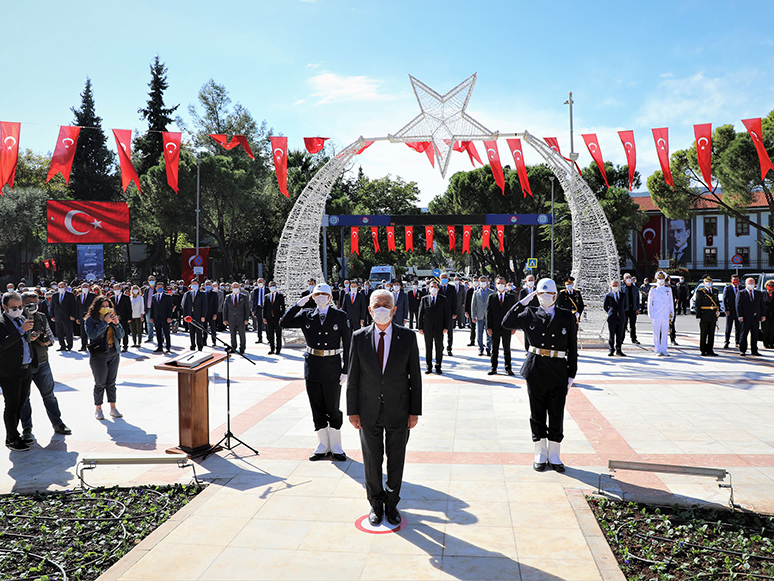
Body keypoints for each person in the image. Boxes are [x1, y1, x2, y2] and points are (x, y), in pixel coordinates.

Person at [347, 289, 422, 526]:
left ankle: (392, 503)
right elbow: (353, 377)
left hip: (399, 409)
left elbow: (415, 378)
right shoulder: (358, 337)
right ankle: (376, 504)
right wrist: (352, 410)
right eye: (376, 304)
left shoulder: (407, 337)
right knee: (371, 459)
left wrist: (414, 411)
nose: (381, 308)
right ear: (369, 309)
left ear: (394, 309)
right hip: (367, 409)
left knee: (396, 458)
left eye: (386, 304)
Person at [502, 278, 578, 473]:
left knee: (556, 411)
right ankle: (540, 452)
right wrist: (523, 302)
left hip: (558, 368)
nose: (546, 298)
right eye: (542, 294)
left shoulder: (566, 316)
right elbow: (506, 322)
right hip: (536, 367)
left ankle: (554, 454)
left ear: (556, 295)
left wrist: (571, 374)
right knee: (537, 412)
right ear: (536, 295)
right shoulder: (529, 313)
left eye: (550, 294)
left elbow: (572, 347)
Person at [282, 284, 351, 461]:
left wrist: (346, 369)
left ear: (330, 297)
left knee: (332, 406)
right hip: (313, 365)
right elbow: (284, 322)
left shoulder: (340, 316)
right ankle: (322, 445)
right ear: (312, 297)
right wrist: (298, 305)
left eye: (324, 294)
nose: (320, 297)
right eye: (317, 294)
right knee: (316, 405)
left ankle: (336, 446)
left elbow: (349, 344)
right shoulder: (306, 314)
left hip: (332, 366)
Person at [19, 292, 70, 440]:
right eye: (29, 303)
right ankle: (27, 429)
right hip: (25, 366)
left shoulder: (41, 316)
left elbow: (51, 338)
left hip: (42, 363)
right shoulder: (17, 318)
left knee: (49, 396)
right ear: (22, 304)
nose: (33, 305)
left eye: (36, 302)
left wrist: (45, 340)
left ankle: (58, 423)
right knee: (24, 399)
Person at [0, 292, 37, 451]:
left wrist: (30, 334)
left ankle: (15, 435)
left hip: (25, 368)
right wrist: (21, 330)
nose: (17, 310)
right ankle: (12, 438)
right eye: (13, 307)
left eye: (19, 307)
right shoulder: (2, 323)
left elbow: (23, 342)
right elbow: (4, 344)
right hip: (10, 372)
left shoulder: (20, 319)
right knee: (12, 405)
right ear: (4, 307)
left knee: (21, 403)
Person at [84, 296, 124, 421]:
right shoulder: (90, 320)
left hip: (113, 352)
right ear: (97, 307)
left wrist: (116, 325)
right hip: (99, 355)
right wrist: (104, 323)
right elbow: (92, 335)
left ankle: (113, 408)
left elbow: (121, 335)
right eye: (103, 306)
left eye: (108, 306)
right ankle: (98, 409)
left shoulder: (112, 318)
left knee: (111, 383)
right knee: (100, 383)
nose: (106, 308)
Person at [486, 276, 517, 375]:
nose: (501, 285)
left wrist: (514, 326)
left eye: (502, 283)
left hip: (507, 327)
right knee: (494, 349)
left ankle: (508, 368)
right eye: (499, 283)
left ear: (505, 284)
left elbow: (514, 313)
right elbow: (488, 313)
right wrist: (488, 327)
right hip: (495, 327)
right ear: (495, 285)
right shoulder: (492, 297)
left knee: (507, 348)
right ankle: (493, 367)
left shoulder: (511, 297)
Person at [417, 280, 449, 374]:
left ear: (438, 289)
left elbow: (446, 314)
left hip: (439, 327)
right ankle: (428, 366)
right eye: (431, 287)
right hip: (427, 327)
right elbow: (420, 313)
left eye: (435, 287)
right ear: (429, 288)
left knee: (439, 347)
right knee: (428, 347)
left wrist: (446, 327)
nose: (433, 288)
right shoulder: (424, 299)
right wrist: (420, 327)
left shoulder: (443, 299)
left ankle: (438, 366)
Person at [736, 277, 766, 357]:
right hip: (745, 317)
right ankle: (742, 350)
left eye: (752, 283)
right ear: (745, 284)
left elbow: (762, 305)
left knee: (755, 334)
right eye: (749, 283)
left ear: (755, 284)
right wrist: (740, 316)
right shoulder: (741, 293)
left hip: (755, 317)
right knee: (744, 334)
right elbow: (738, 305)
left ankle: (754, 350)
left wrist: (763, 315)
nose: (751, 285)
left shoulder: (758, 293)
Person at [648, 271, 674, 357]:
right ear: (656, 279)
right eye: (659, 278)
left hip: (666, 314)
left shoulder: (668, 289)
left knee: (665, 332)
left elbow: (671, 302)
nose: (661, 280)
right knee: (656, 333)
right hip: (656, 314)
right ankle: (657, 349)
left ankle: (664, 349)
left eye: (662, 278)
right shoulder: (653, 289)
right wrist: (650, 314)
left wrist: (672, 312)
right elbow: (649, 303)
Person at [695, 275, 720, 357]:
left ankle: (710, 349)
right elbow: (698, 304)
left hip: (712, 315)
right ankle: (703, 350)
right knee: (704, 333)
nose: (708, 283)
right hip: (704, 315)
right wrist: (698, 316)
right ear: (704, 283)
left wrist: (718, 311)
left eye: (710, 282)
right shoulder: (700, 291)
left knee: (711, 333)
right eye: (706, 282)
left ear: (712, 283)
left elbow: (717, 302)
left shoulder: (715, 291)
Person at [224, 282, 249, 354]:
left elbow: (247, 308)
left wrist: (246, 319)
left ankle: (242, 348)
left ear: (239, 288)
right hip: (231, 318)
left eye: (236, 287)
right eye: (234, 287)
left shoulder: (244, 297)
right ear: (231, 288)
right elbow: (225, 308)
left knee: (242, 334)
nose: (235, 288)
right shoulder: (228, 297)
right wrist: (225, 319)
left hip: (241, 318)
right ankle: (233, 347)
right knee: (232, 334)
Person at [603, 280, 627, 356]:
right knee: (612, 335)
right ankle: (611, 350)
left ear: (619, 286)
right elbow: (605, 306)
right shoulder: (608, 295)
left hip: (621, 317)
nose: (615, 287)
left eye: (616, 285)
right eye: (613, 285)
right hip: (612, 318)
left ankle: (619, 350)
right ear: (611, 286)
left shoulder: (623, 295)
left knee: (619, 335)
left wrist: (621, 312)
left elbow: (625, 305)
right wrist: (611, 312)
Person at [182, 280, 208, 351]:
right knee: (191, 331)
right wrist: (185, 315)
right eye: (193, 284)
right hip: (190, 315)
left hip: (199, 315)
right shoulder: (188, 294)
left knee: (199, 331)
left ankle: (200, 346)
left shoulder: (202, 294)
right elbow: (185, 306)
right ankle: (192, 345)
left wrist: (203, 316)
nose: (194, 285)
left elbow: (205, 306)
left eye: (195, 284)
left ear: (198, 285)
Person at [50, 281, 76, 351]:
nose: (60, 288)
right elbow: (52, 306)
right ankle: (62, 346)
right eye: (59, 287)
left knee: (68, 332)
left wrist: (72, 315)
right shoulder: (55, 295)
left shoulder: (70, 295)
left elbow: (73, 306)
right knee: (59, 332)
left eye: (62, 287)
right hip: (58, 316)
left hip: (67, 316)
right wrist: (52, 316)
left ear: (65, 287)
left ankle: (69, 345)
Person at [471, 276, 492, 357]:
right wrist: (473, 316)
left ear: (487, 282)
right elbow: (473, 305)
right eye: (481, 281)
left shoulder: (491, 292)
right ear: (479, 282)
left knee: (489, 333)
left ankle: (488, 349)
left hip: (488, 317)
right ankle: (480, 349)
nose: (483, 282)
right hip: (479, 316)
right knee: (479, 334)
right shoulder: (476, 293)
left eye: (484, 281)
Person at [150, 280, 173, 353]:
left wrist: (169, 317)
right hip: (157, 317)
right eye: (158, 287)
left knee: (166, 332)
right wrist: (151, 317)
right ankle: (160, 346)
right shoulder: (154, 297)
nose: (159, 288)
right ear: (156, 288)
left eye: (161, 287)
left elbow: (170, 307)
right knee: (158, 332)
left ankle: (168, 347)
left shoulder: (167, 296)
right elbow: (152, 307)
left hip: (165, 317)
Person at [263, 281, 285, 355]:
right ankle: (272, 348)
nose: (272, 287)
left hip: (277, 318)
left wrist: (281, 317)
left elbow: (283, 307)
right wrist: (264, 317)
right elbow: (265, 307)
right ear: (269, 287)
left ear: (276, 287)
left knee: (278, 334)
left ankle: (278, 349)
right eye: (270, 286)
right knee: (270, 334)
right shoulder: (267, 296)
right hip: (269, 318)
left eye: (273, 285)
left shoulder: (280, 296)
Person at [438, 274, 457, 356]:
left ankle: (449, 348)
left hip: (449, 314)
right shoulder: (437, 288)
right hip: (439, 313)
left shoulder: (452, 288)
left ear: (448, 279)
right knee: (440, 332)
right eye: (442, 278)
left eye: (445, 278)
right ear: (439, 279)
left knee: (450, 332)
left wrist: (454, 312)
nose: (444, 279)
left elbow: (455, 301)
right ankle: (440, 348)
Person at [75, 282, 97, 352]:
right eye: (83, 287)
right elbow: (77, 307)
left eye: (86, 287)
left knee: (91, 331)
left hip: (90, 316)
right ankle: (83, 346)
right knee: (82, 332)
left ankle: (92, 346)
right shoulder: (79, 296)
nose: (85, 288)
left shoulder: (93, 295)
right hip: (81, 316)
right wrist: (77, 317)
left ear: (89, 288)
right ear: (81, 288)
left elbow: (95, 306)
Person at [723, 275, 742, 349]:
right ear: (731, 280)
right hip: (730, 311)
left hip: (738, 311)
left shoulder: (741, 288)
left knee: (738, 327)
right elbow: (725, 299)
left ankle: (738, 342)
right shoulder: (728, 288)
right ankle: (726, 341)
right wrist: (726, 309)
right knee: (729, 327)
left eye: (737, 279)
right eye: (734, 279)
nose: (735, 281)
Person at [111, 283, 132, 353]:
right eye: (115, 289)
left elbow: (129, 308)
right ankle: (118, 345)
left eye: (117, 289)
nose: (116, 290)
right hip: (114, 318)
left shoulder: (126, 297)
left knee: (125, 332)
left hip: (124, 317)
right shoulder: (112, 298)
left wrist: (129, 318)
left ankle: (125, 346)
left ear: (120, 289)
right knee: (116, 332)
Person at [621, 273, 641, 345]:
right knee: (623, 324)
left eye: (629, 277)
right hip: (625, 309)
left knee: (633, 325)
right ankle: (621, 339)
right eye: (627, 277)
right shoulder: (622, 288)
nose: (629, 278)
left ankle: (634, 339)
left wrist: (638, 308)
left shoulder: (635, 288)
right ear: (624, 279)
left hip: (633, 309)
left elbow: (637, 299)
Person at [251, 278, 266, 344]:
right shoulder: (256, 290)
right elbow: (254, 301)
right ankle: (260, 338)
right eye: (258, 282)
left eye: (261, 282)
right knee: (259, 323)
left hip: (266, 308)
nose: (260, 283)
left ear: (264, 282)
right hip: (259, 308)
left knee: (267, 323)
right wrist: (253, 310)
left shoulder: (267, 290)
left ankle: (269, 338)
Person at [143, 275, 157, 344]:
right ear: (148, 281)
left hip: (156, 309)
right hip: (148, 309)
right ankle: (150, 337)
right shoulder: (146, 290)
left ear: (155, 281)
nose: (151, 281)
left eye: (152, 280)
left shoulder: (157, 289)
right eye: (150, 280)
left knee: (158, 323)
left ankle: (161, 337)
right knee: (149, 324)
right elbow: (144, 300)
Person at [761, 280, 774, 349]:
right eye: (769, 285)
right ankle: (765, 343)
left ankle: (771, 343)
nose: (771, 287)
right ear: (766, 286)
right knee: (765, 330)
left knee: (772, 330)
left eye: (772, 285)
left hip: (773, 315)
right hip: (765, 315)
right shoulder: (762, 294)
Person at [465, 279, 476, 346]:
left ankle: (482, 342)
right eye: (474, 280)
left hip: (480, 311)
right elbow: (467, 301)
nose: (476, 282)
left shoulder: (482, 290)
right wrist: (466, 311)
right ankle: (472, 340)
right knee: (472, 327)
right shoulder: (470, 290)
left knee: (481, 328)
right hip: (471, 311)